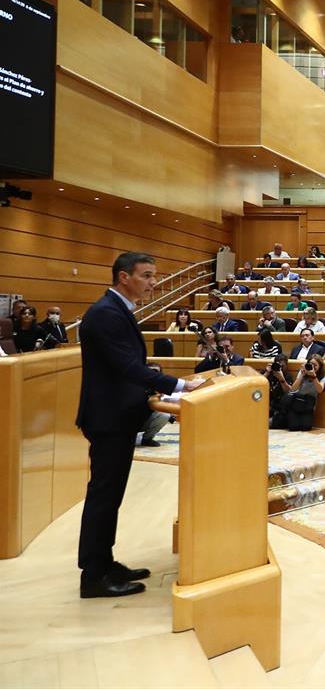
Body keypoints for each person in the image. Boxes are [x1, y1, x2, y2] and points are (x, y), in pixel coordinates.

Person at [76, 252, 205, 598]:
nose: (153, 283)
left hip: (115, 417)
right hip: (108, 419)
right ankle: (93, 575)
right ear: (123, 277)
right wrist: (179, 386)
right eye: (147, 276)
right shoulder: (105, 314)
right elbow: (125, 367)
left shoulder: (116, 310)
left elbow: (129, 365)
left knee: (110, 495)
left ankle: (104, 562)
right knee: (104, 496)